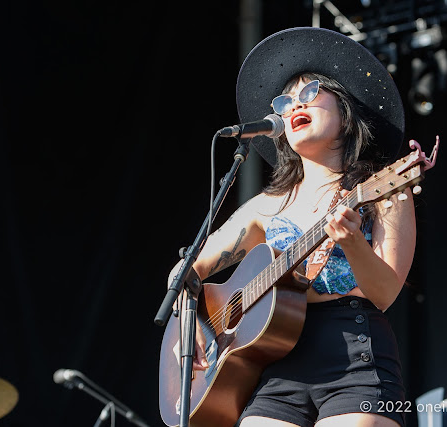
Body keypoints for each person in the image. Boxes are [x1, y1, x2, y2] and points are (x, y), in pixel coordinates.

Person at [169, 27, 415, 427]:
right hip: (276, 366)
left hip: (354, 358)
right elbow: (184, 272)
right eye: (284, 100)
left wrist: (352, 242)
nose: (293, 105)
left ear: (346, 108)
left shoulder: (383, 188)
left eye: (310, 92)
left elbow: (385, 293)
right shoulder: (265, 207)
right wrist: (190, 321)